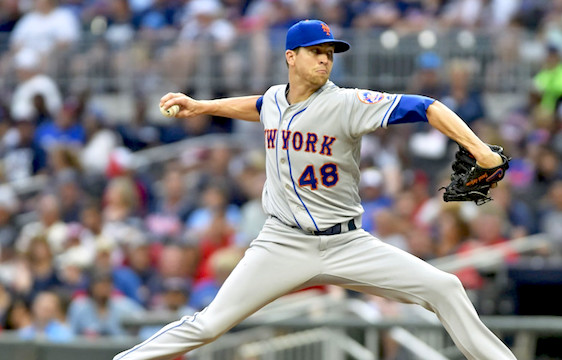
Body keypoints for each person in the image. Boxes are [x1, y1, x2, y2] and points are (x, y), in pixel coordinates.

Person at [114, 19, 516, 360]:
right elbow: (257, 107)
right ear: (291, 57)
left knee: (444, 287)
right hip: (282, 243)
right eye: (315, 51)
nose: (325, 58)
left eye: (329, 52)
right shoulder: (274, 99)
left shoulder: (347, 103)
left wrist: (479, 150)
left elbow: (427, 107)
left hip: (347, 244)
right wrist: (202, 106)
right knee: (209, 324)